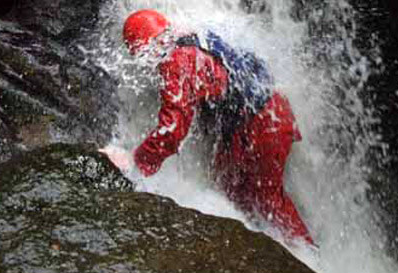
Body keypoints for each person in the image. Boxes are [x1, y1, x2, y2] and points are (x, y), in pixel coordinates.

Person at [108, 9, 313, 244]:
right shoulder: (188, 33)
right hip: (266, 114)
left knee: (268, 200)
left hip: (263, 125)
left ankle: (308, 254)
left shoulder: (176, 62)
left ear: (147, 48)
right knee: (228, 188)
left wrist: (136, 161)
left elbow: (173, 129)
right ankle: (253, 248)